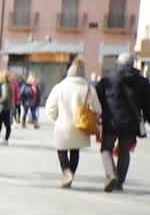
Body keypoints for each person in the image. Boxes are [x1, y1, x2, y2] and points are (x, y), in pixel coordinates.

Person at [96, 53, 150, 191]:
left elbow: (98, 100)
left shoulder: (107, 80)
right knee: (124, 151)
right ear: (133, 64)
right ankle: (119, 182)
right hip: (131, 123)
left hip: (111, 121)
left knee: (106, 148)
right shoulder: (143, 81)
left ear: (117, 64)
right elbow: (147, 104)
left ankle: (111, 174)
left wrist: (99, 117)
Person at [44, 58, 101, 188]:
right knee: (75, 150)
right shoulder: (88, 88)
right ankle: (72, 173)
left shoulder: (59, 87)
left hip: (63, 124)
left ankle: (66, 172)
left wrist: (56, 118)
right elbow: (98, 108)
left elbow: (50, 108)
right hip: (81, 124)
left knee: (61, 149)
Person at [0, 69, 14, 144]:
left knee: (1, 123)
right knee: (5, 123)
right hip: (6, 107)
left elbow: (5, 97)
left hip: (3, 107)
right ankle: (3, 138)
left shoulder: (5, 85)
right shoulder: (8, 84)